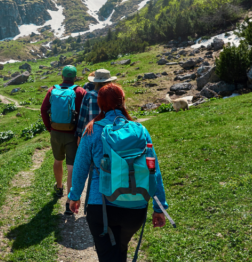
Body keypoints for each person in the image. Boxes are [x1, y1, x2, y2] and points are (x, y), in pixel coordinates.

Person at [68, 83, 168, 262]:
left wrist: (74, 196)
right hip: (135, 207)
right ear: (123, 101)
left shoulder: (92, 130)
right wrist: (159, 207)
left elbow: (80, 167)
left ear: (100, 104)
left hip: (101, 206)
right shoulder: (140, 130)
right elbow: (153, 170)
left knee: (108, 255)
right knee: (121, 249)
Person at [41, 65, 86, 215]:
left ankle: (59, 187)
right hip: (73, 134)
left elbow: (43, 110)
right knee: (71, 167)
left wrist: (49, 128)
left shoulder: (52, 90)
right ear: (75, 77)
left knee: (57, 160)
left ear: (62, 76)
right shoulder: (79, 91)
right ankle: (68, 202)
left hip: (56, 132)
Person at [76, 70, 117, 145]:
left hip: (93, 133)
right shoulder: (116, 96)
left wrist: (79, 134)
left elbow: (82, 117)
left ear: (96, 82)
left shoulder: (89, 95)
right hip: (112, 134)